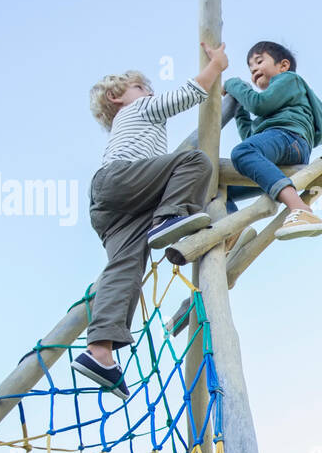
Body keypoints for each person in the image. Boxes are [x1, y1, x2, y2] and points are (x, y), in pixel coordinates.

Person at [74, 42, 227, 400]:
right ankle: (169, 217)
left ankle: (100, 351)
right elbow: (188, 93)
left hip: (114, 207)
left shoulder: (128, 127)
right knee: (195, 163)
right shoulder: (139, 108)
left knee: (125, 267)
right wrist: (216, 65)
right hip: (120, 181)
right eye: (143, 87)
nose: (150, 93)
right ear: (117, 98)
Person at [224, 41, 322, 240]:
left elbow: (259, 104)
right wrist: (240, 110)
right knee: (219, 189)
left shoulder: (290, 80)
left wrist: (234, 84)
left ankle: (300, 208)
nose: (254, 68)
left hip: (290, 138)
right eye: (250, 67)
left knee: (242, 152)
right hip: (277, 152)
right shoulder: (271, 112)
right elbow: (252, 140)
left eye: (258, 61)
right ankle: (232, 233)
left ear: (283, 66)